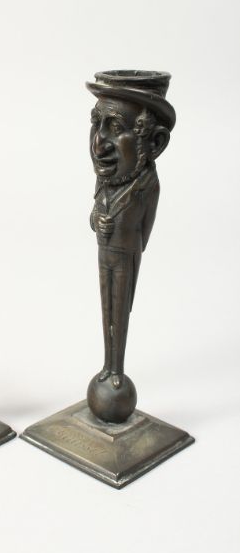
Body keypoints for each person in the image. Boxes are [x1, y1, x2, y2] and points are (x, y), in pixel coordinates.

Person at [86, 70, 175, 390]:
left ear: (154, 143)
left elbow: (144, 232)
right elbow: (95, 213)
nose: (98, 144)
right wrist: (97, 221)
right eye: (95, 124)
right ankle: (109, 367)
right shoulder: (106, 180)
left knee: (121, 308)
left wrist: (129, 243)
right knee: (106, 305)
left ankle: (115, 369)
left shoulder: (147, 185)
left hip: (126, 256)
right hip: (105, 252)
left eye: (114, 128)